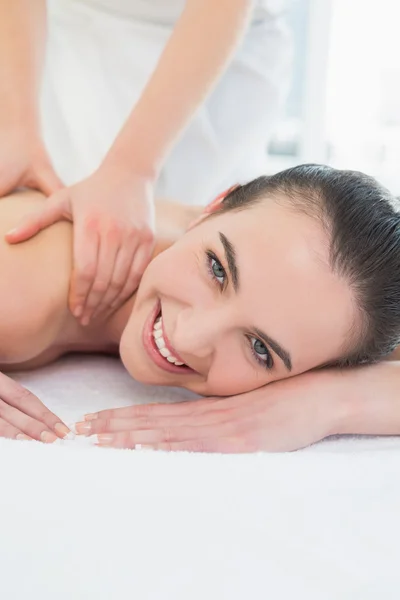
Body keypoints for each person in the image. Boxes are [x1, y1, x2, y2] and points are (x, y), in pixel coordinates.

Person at [1, 164, 400, 452]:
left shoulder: (331, 309)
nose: (189, 337)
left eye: (259, 348)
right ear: (215, 206)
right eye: (218, 270)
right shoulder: (27, 289)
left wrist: (331, 403)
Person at [1, 0, 292, 328]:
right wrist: (17, 127)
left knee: (209, 280)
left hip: (211, 55)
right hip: (55, 36)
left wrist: (131, 171)